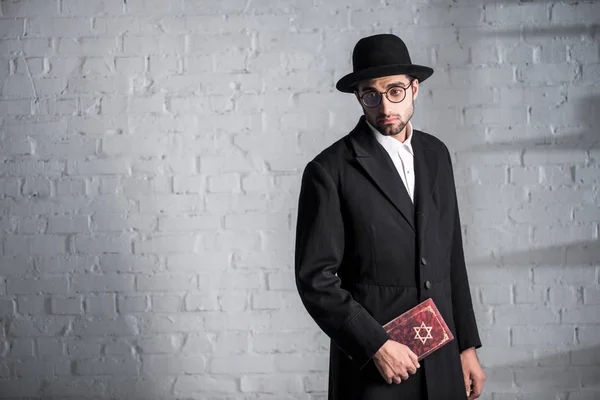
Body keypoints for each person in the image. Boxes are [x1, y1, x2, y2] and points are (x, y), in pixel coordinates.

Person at [294, 34, 486, 400]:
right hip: (376, 368)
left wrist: (466, 348)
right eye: (371, 95)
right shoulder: (328, 170)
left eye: (395, 91)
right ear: (359, 98)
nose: (385, 107)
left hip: (443, 354)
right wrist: (375, 345)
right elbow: (315, 279)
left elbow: (451, 259)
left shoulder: (436, 154)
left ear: (414, 89)